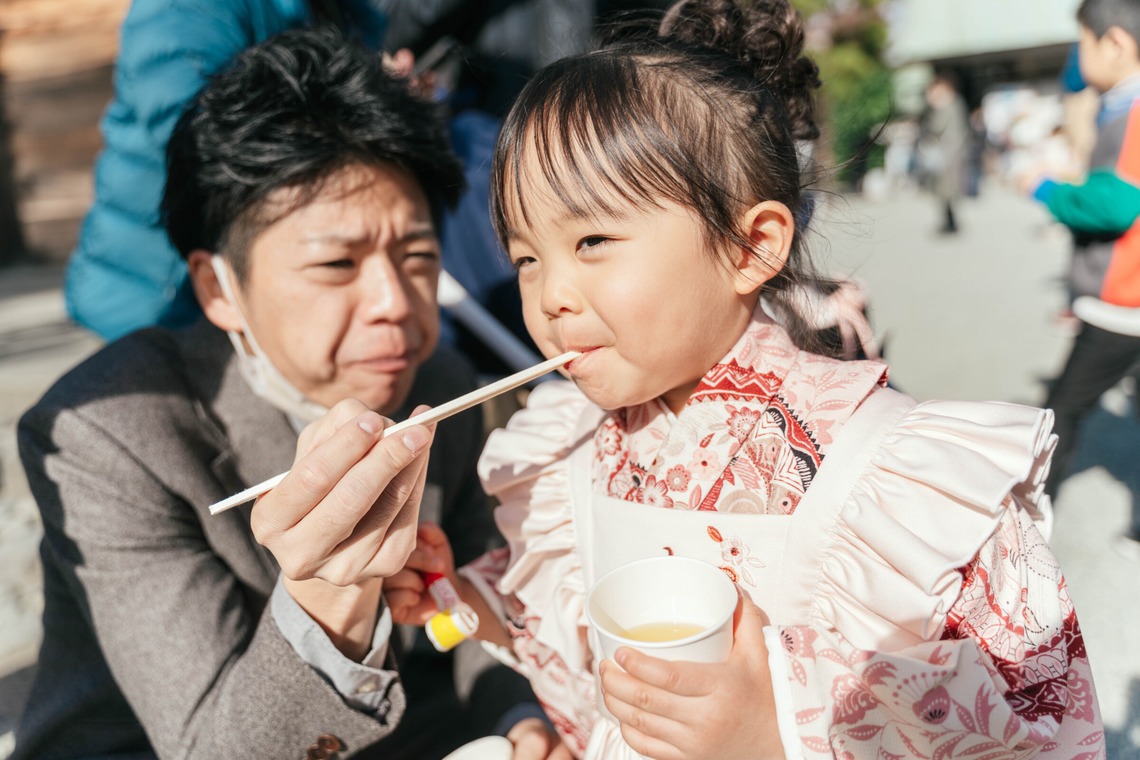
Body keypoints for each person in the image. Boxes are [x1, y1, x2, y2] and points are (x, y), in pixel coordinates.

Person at [383, 1, 1107, 757]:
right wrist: (460, 596)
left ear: (751, 247)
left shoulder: (898, 488)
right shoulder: (569, 454)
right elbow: (571, 641)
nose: (549, 295)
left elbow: (1040, 734)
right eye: (528, 257)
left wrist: (771, 734)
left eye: (592, 239)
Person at [14, 28, 549, 760]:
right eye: (336, 263)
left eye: (417, 254)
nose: (395, 300)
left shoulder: (437, 387)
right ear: (218, 288)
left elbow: (462, 608)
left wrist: (519, 717)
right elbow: (211, 746)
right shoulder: (113, 434)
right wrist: (329, 598)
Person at [63, 0, 393, 342]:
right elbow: (198, 135)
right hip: (157, 283)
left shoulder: (344, 9)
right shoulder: (181, 8)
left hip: (254, 270)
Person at [1029, 0, 1140, 521]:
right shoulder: (1120, 104)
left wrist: (1049, 191)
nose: (1078, 56)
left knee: (1063, 411)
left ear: (1115, 44)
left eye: (1084, 42)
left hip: (1123, 298)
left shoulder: (1133, 109)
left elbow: (1117, 202)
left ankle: (1026, 526)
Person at [916, 72, 969, 234]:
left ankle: (950, 222)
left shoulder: (948, 105)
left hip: (948, 153)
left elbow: (936, 127)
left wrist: (934, 106)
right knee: (946, 188)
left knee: (946, 188)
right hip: (951, 152)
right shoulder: (957, 103)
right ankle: (949, 220)